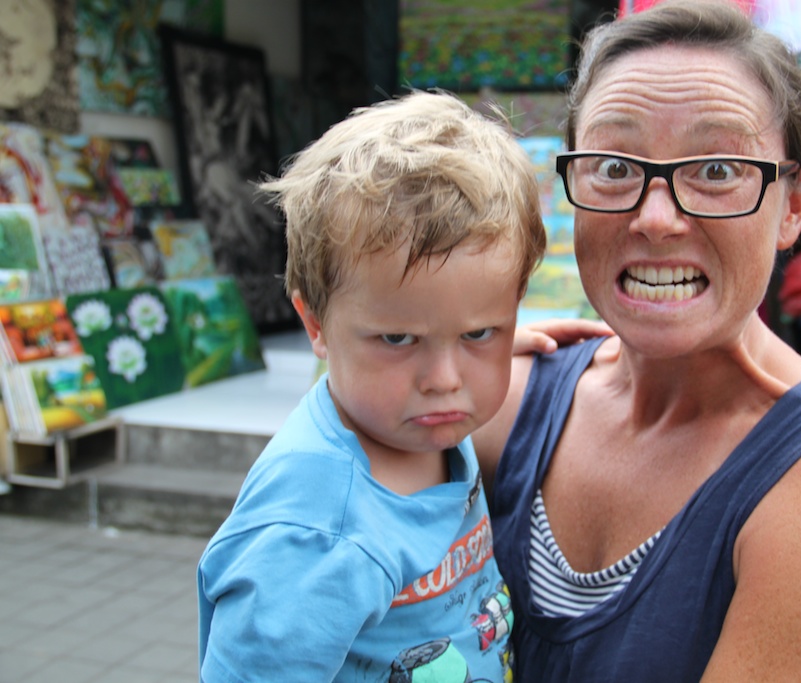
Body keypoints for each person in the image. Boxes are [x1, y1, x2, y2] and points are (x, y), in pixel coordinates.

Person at [474, 2, 801, 680]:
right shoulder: (503, 400)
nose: (656, 218)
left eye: (716, 170)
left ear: (794, 204)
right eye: (615, 166)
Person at [197, 90, 548, 682]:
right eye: (397, 340)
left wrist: (504, 342)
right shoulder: (315, 534)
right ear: (315, 324)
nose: (445, 381)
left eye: (479, 332)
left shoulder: (410, 416)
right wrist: (473, 336)